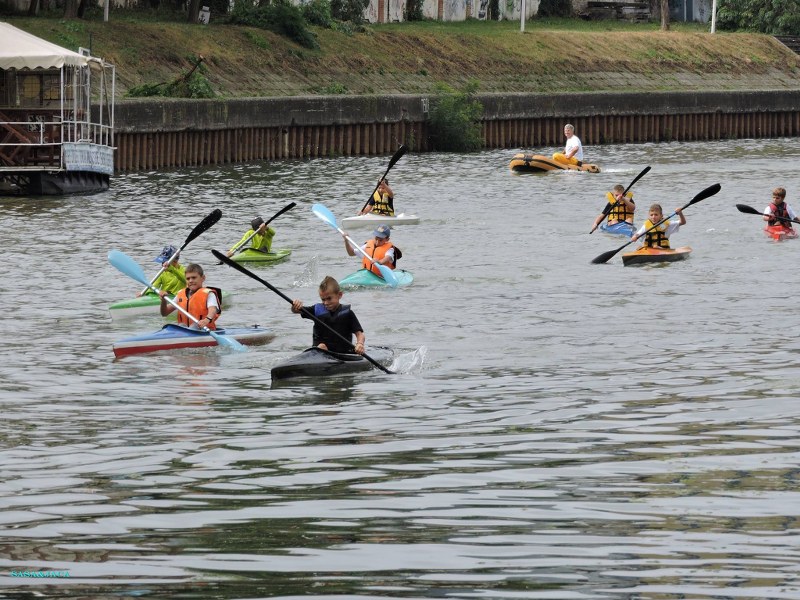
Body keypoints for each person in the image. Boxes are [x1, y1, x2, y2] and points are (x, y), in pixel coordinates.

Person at [291, 276, 366, 355]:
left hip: (344, 355)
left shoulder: (348, 313)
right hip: (319, 353)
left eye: (329, 298)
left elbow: (360, 334)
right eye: (323, 299)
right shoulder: (316, 310)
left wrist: (360, 344)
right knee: (321, 346)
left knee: (322, 347)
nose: (326, 303)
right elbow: (296, 310)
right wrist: (295, 306)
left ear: (339, 295)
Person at [159, 263, 221, 330]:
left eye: (194, 278)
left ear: (203, 278)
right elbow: (164, 313)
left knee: (194, 326)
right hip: (185, 329)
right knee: (181, 325)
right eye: (188, 279)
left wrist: (206, 320)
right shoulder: (180, 294)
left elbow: (213, 310)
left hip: (203, 330)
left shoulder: (209, 294)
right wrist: (163, 300)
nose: (191, 281)